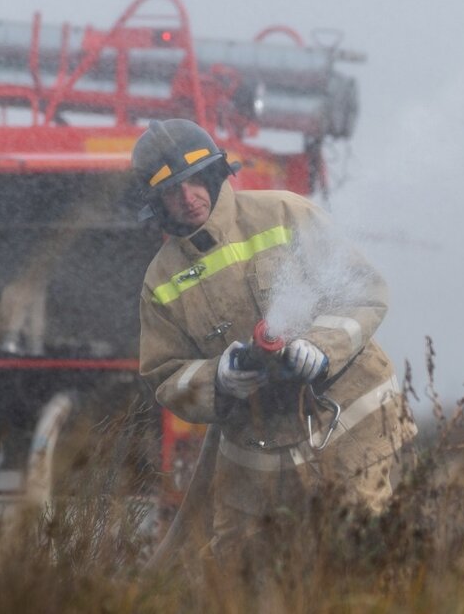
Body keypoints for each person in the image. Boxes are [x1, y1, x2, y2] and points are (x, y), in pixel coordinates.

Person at [135, 119, 416, 570]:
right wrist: (219, 378)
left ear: (213, 176)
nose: (188, 198)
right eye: (172, 192)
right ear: (158, 205)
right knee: (246, 573)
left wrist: (320, 348)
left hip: (346, 427)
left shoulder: (283, 213)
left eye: (193, 182)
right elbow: (164, 373)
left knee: (356, 555)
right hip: (257, 452)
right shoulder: (161, 280)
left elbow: (363, 290)